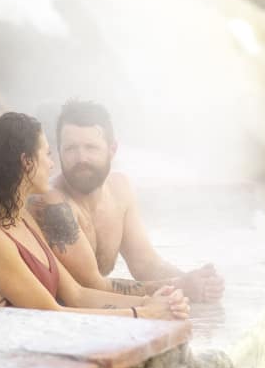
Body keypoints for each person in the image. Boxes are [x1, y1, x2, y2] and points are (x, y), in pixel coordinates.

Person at [0, 111, 189, 320]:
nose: (52, 164)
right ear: (27, 162)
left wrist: (152, 301)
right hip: (17, 360)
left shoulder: (22, 219)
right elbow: (51, 314)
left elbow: (77, 294)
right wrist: (143, 314)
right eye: (48, 154)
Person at [27, 100, 225, 302]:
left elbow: (146, 264)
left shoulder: (120, 190)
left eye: (91, 147)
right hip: (57, 318)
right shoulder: (51, 203)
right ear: (58, 150)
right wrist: (179, 286)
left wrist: (196, 282)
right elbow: (89, 286)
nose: (81, 158)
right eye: (70, 148)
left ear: (112, 149)